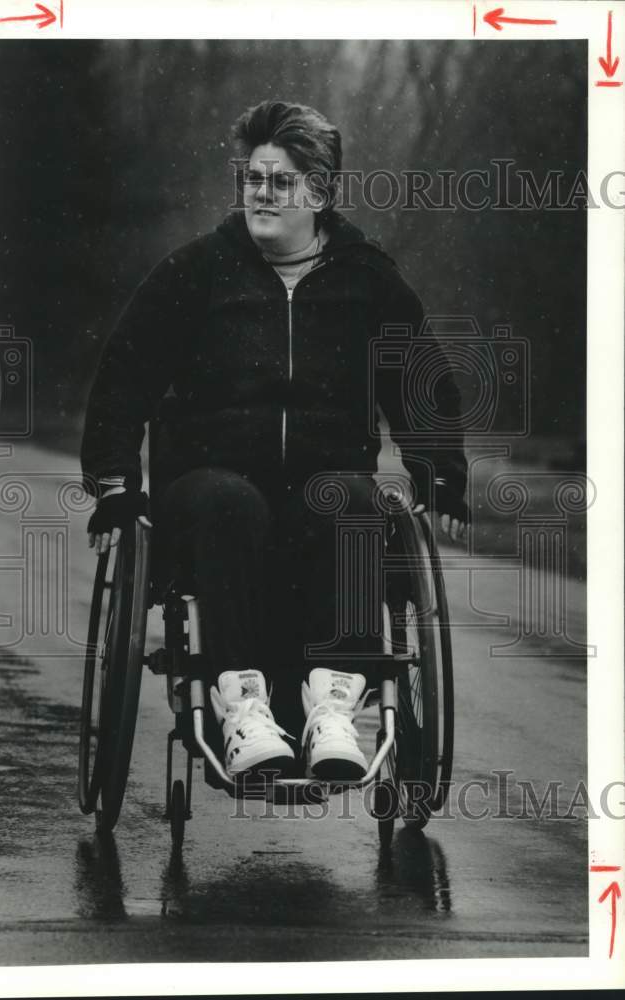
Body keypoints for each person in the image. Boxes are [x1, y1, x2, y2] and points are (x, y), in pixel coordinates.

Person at [81, 100, 468, 783]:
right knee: (233, 504)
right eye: (253, 177)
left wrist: (440, 476)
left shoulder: (365, 280)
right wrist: (115, 485)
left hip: (323, 483)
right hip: (208, 483)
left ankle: (333, 710)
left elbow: (419, 381)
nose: (260, 192)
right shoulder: (197, 272)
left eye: (280, 181)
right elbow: (124, 376)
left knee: (349, 500)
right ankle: (245, 710)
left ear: (318, 192)